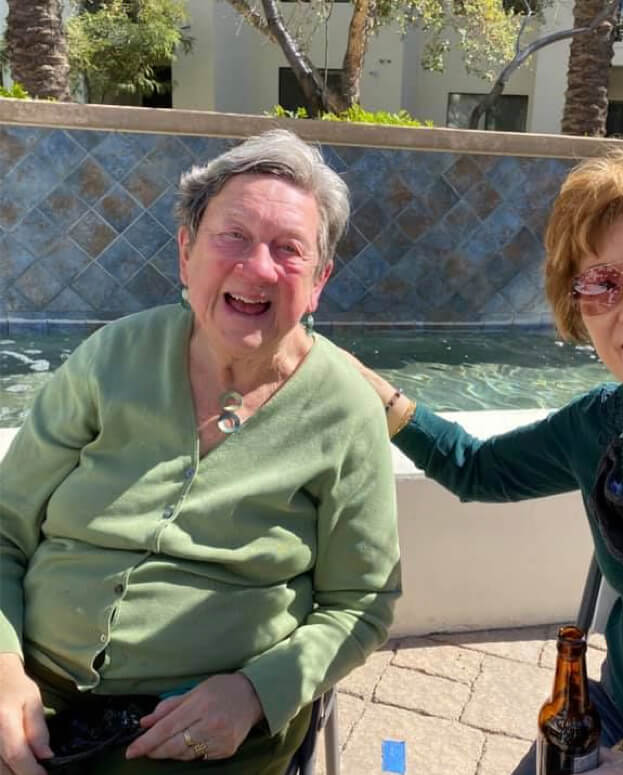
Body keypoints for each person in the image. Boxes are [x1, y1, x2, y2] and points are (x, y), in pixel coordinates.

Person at [347, 146, 623, 774]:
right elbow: (480, 469)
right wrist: (374, 392)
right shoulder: (606, 423)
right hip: (615, 721)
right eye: (601, 284)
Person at [0, 129, 401, 775]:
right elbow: (4, 530)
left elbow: (362, 601)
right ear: (187, 253)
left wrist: (254, 692)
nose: (258, 267)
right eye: (232, 236)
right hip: (30, 688)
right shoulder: (111, 356)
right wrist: (2, 667)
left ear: (320, 281)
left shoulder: (345, 409)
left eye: (288, 249)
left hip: (203, 729)